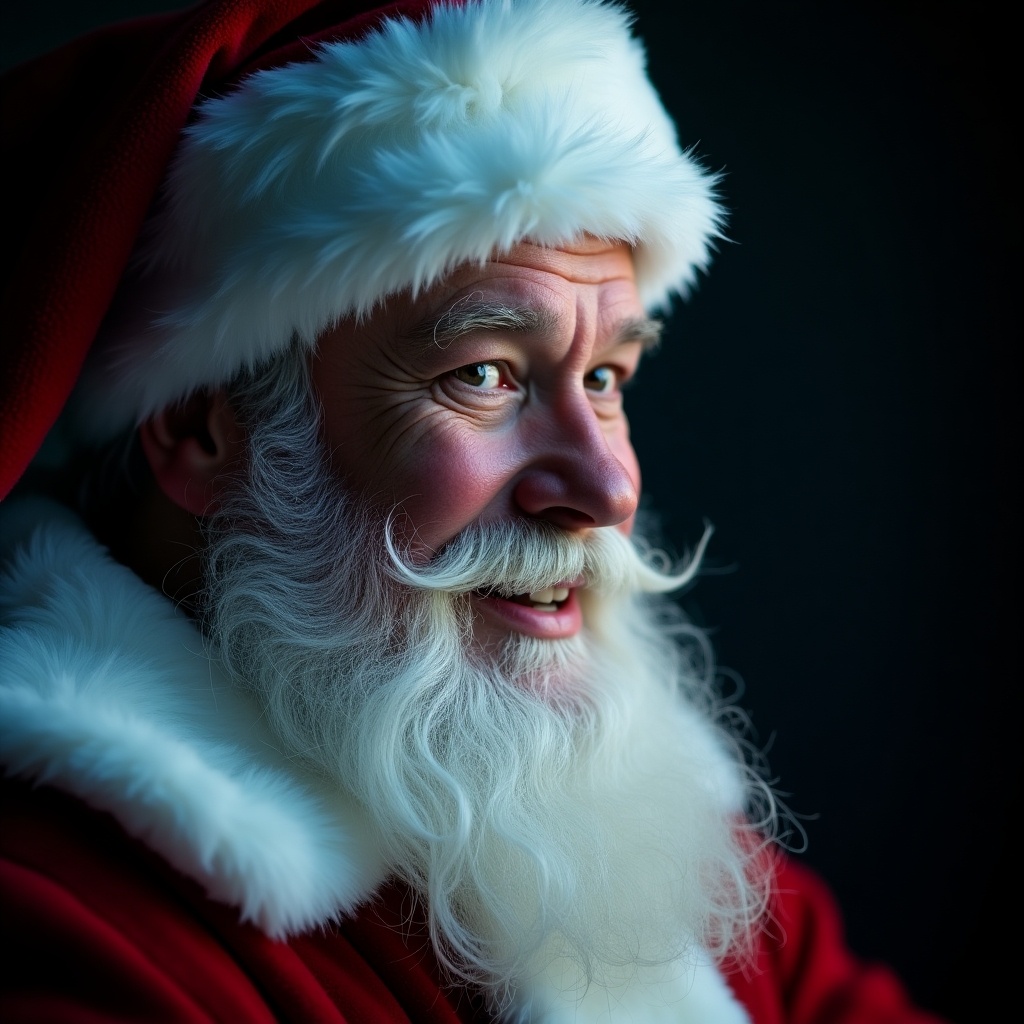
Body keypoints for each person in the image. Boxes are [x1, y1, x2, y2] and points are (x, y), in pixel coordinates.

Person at [0, 1, 952, 1021]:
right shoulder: (54, 917)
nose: (607, 487)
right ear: (198, 425)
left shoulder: (646, 825)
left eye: (605, 376)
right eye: (486, 374)